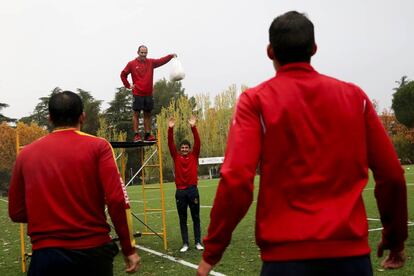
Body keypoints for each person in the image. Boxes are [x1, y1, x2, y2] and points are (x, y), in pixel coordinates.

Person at [198, 11, 407, 276]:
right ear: (314, 49)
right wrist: (395, 239)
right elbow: (391, 175)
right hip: (351, 261)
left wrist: (212, 251)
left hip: (286, 262)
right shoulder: (355, 97)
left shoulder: (256, 101)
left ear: (270, 51)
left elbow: (237, 179)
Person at [8, 91, 141, 276]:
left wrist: (52, 217)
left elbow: (16, 212)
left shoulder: (26, 154)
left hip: (46, 256)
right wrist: (129, 248)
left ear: (49, 118)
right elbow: (118, 200)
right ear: (82, 116)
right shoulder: (99, 146)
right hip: (93, 254)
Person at [121, 45, 176, 142]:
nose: (143, 54)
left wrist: (170, 56)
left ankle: (147, 135)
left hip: (148, 94)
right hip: (137, 93)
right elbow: (123, 74)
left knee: (147, 114)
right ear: (138, 52)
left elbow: (161, 61)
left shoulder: (151, 62)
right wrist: (128, 85)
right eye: (142, 52)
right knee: (136, 114)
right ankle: (136, 135)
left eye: (145, 53)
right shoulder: (131, 64)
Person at [168, 115, 204, 252]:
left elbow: (198, 142)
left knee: (196, 217)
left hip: (192, 190)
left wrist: (193, 127)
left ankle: (198, 242)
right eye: (182, 147)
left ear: (189, 149)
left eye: (186, 147)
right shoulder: (176, 156)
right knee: (182, 219)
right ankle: (185, 244)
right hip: (180, 192)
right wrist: (170, 129)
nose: (184, 149)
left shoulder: (194, 155)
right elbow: (170, 144)